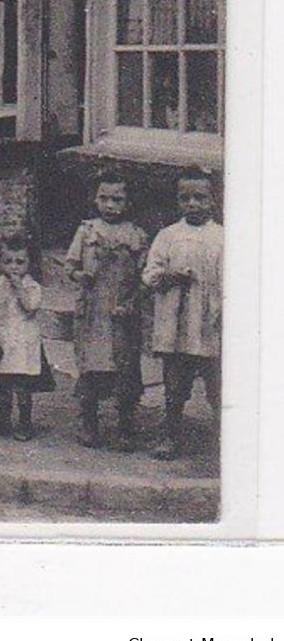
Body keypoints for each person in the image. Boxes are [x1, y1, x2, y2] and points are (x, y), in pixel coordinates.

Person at [64, 170, 149, 451]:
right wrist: (80, 277)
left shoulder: (136, 236)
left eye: (117, 199)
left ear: (128, 203)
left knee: (124, 368)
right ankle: (89, 422)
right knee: (91, 366)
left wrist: (132, 303)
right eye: (104, 198)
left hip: (121, 314)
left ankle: (125, 424)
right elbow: (70, 266)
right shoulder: (86, 231)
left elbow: (143, 277)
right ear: (95, 199)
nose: (110, 205)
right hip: (93, 313)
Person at [142, 167, 223, 461]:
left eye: (200, 197)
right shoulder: (168, 236)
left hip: (209, 325)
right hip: (175, 325)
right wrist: (170, 276)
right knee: (175, 385)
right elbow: (150, 275)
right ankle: (170, 436)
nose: (192, 204)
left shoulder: (222, 238)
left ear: (213, 200)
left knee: (217, 386)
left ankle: (223, 440)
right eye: (185, 198)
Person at [0, 231, 52, 442]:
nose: (14, 267)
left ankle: (25, 422)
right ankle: (3, 420)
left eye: (20, 262)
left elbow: (30, 306)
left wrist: (19, 288)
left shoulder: (31, 286)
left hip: (22, 343)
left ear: (29, 263)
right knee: (3, 385)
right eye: (8, 261)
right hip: (2, 343)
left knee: (22, 387)